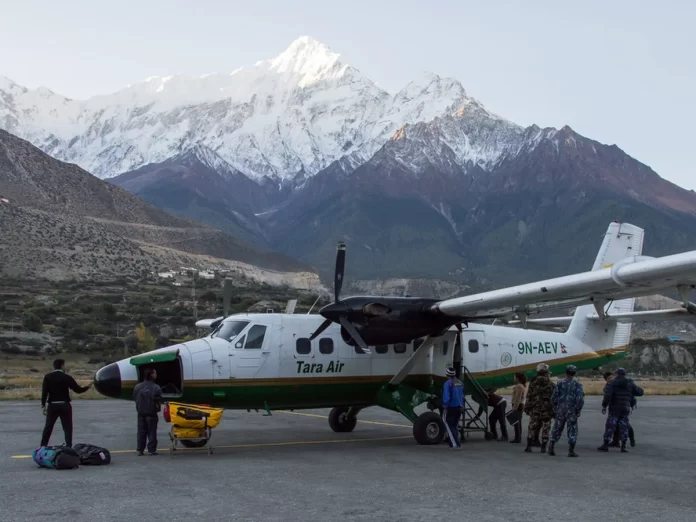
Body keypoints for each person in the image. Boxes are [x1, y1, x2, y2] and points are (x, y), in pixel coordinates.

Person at [40, 358, 93, 448]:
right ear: (62, 366)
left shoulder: (48, 377)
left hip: (52, 405)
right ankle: (69, 446)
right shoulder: (66, 377)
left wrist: (43, 405)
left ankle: (42, 446)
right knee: (67, 427)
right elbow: (78, 390)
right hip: (65, 405)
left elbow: (44, 392)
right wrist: (88, 386)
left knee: (48, 426)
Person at [598, 368, 643, 453]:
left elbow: (608, 395)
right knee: (624, 426)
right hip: (625, 408)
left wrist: (604, 405)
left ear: (617, 374)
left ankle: (605, 445)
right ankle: (623, 446)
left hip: (614, 407)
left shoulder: (612, 383)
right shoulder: (630, 383)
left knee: (610, 426)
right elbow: (640, 392)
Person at [548, 365, 585, 457]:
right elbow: (580, 399)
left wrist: (556, 407)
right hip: (572, 410)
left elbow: (554, 397)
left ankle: (551, 447)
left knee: (557, 428)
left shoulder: (560, 383)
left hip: (561, 409)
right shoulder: (577, 385)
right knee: (572, 429)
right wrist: (578, 409)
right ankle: (571, 451)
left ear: (566, 372)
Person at [524, 363, 555, 453]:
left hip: (535, 409)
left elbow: (529, 396)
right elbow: (554, 398)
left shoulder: (533, 382)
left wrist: (527, 407)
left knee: (532, 427)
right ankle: (543, 448)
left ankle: (529, 446)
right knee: (546, 428)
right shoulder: (551, 384)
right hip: (546, 410)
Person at [133, 368, 163, 456]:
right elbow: (159, 399)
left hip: (141, 413)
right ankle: (152, 449)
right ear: (152, 375)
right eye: (155, 373)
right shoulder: (156, 387)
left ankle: (140, 449)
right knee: (152, 432)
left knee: (141, 432)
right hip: (152, 413)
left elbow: (134, 397)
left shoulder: (137, 387)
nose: (156, 375)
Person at [603, 372, 636, 447]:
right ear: (606, 380)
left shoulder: (619, 384)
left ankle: (631, 439)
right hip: (615, 407)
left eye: (612, 377)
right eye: (609, 378)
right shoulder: (609, 386)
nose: (611, 379)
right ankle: (616, 441)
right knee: (615, 425)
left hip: (622, 407)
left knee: (625, 425)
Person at [441, 367, 464, 450]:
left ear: (447, 375)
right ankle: (457, 443)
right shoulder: (460, 382)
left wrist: (445, 407)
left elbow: (446, 397)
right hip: (459, 407)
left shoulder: (448, 383)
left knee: (449, 425)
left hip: (451, 408)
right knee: (454, 425)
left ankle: (454, 445)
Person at [509, 373, 527, 443]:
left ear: (518, 378)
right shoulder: (521, 386)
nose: (514, 378)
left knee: (516, 422)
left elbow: (517, 398)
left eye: (514, 377)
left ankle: (517, 438)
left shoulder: (519, 386)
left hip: (518, 405)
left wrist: (514, 408)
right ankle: (518, 437)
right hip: (519, 405)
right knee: (518, 421)